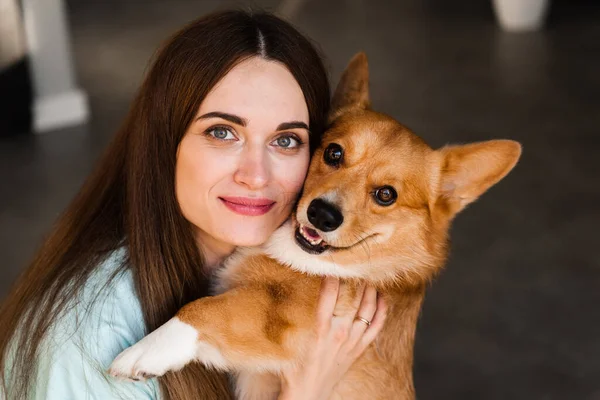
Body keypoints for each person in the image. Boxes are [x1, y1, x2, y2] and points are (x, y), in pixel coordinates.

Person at [0, 9, 387, 400]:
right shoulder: (90, 340)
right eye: (222, 132)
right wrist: (306, 391)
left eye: (286, 140)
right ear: (165, 143)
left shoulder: (296, 289)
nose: (256, 175)